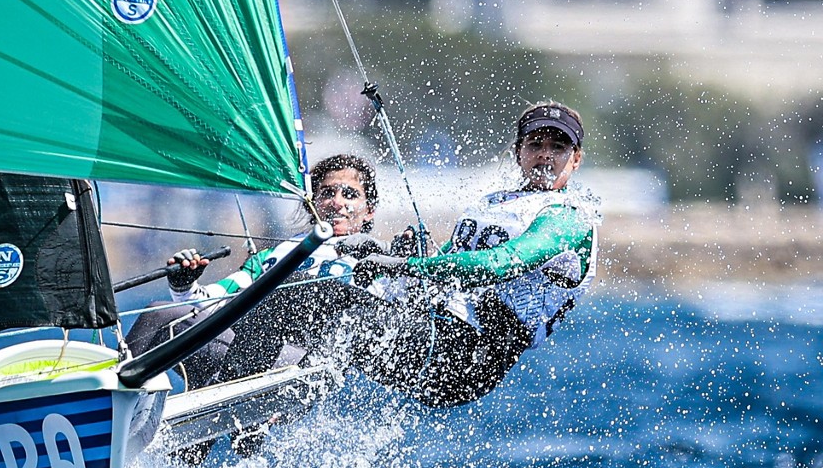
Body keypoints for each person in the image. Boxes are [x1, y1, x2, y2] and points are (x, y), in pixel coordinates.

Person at [341, 100, 601, 407]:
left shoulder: (568, 218)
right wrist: (387, 251)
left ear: (576, 159)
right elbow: (449, 262)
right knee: (319, 294)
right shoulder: (496, 203)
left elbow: (499, 264)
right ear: (519, 153)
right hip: (435, 326)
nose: (545, 154)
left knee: (331, 312)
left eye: (558, 146)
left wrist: (402, 265)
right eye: (535, 144)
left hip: (466, 359)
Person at [124, 153, 413, 389]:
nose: (336, 202)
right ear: (312, 202)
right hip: (240, 352)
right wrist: (183, 285)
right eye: (327, 193)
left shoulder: (381, 258)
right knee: (158, 314)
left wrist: (409, 257)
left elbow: (393, 317)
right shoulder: (274, 255)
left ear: (369, 209)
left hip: (303, 367)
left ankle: (236, 412)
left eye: (349, 194)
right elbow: (211, 302)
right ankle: (112, 398)